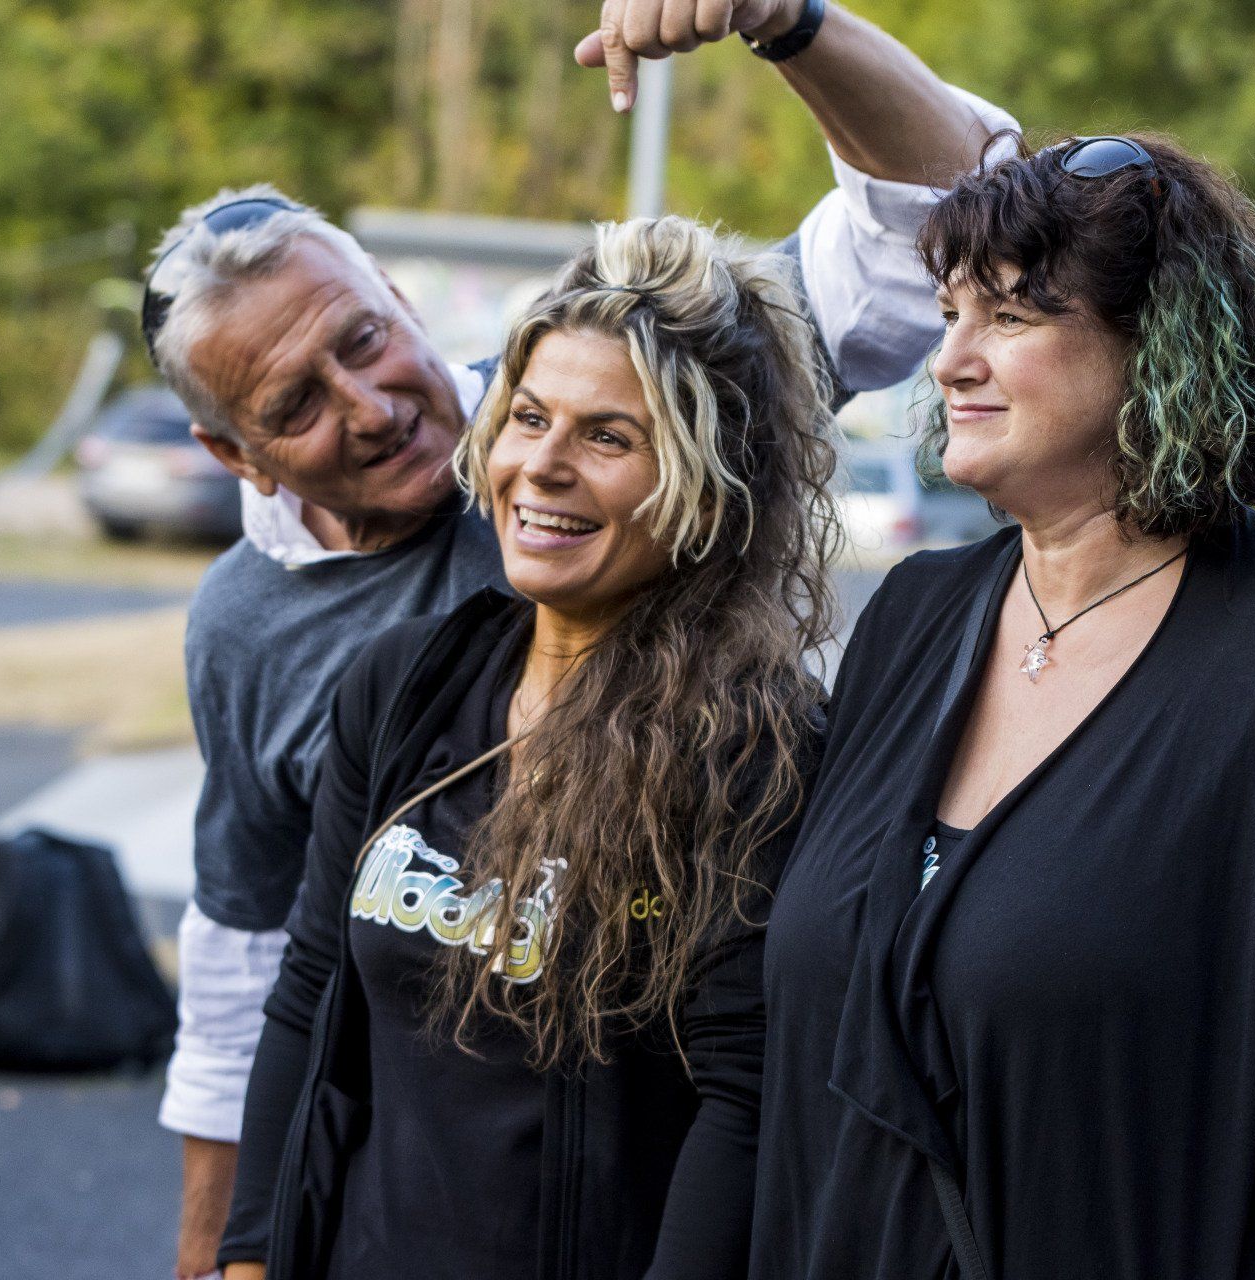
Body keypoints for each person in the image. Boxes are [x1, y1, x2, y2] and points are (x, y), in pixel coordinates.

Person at [146, 3, 1015, 1275]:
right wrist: (228, 1247)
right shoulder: (289, 642)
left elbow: (941, 219)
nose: (374, 404)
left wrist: (787, 21)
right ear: (236, 455)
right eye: (296, 402)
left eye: (365, 338)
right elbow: (265, 961)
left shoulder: (646, 359)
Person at [750, 134, 1255, 1280]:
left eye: (1009, 316)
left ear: (1162, 346)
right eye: (949, 314)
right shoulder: (914, 613)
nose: (950, 360)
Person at [218, 214, 829, 1279]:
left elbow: (746, 1102)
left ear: (707, 481)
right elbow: (311, 986)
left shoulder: (751, 750)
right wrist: (251, 1257)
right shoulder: (405, 686)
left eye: (609, 437)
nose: (541, 467)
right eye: (529, 417)